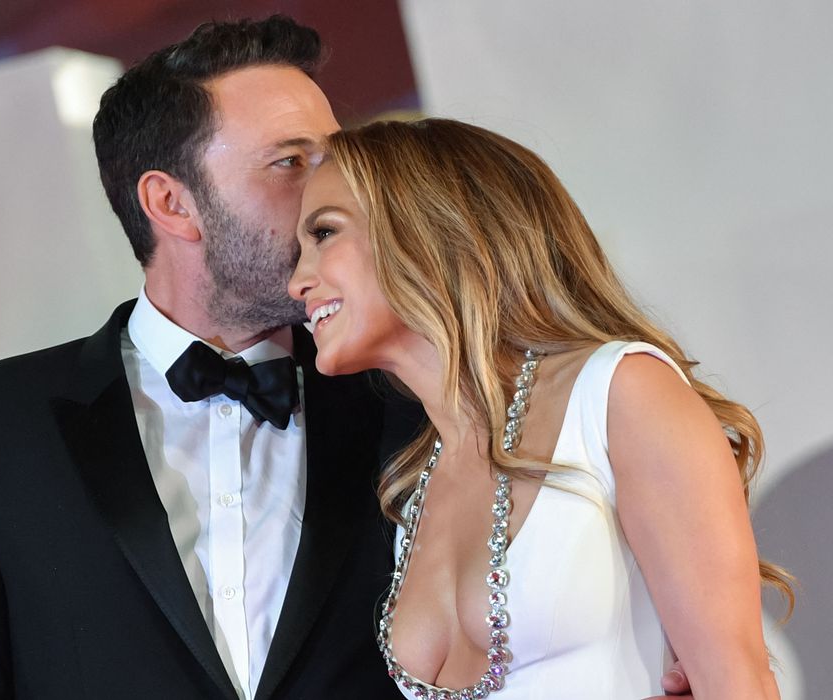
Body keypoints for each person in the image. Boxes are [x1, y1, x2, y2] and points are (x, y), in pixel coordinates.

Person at [0, 14, 698, 700]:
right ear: (170, 202)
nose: (333, 187)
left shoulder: (418, 400)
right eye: (290, 162)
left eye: (332, 154)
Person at [288, 118, 795, 699]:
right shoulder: (414, 485)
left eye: (324, 233)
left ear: (426, 226)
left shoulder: (616, 394)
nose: (297, 281)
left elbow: (738, 683)